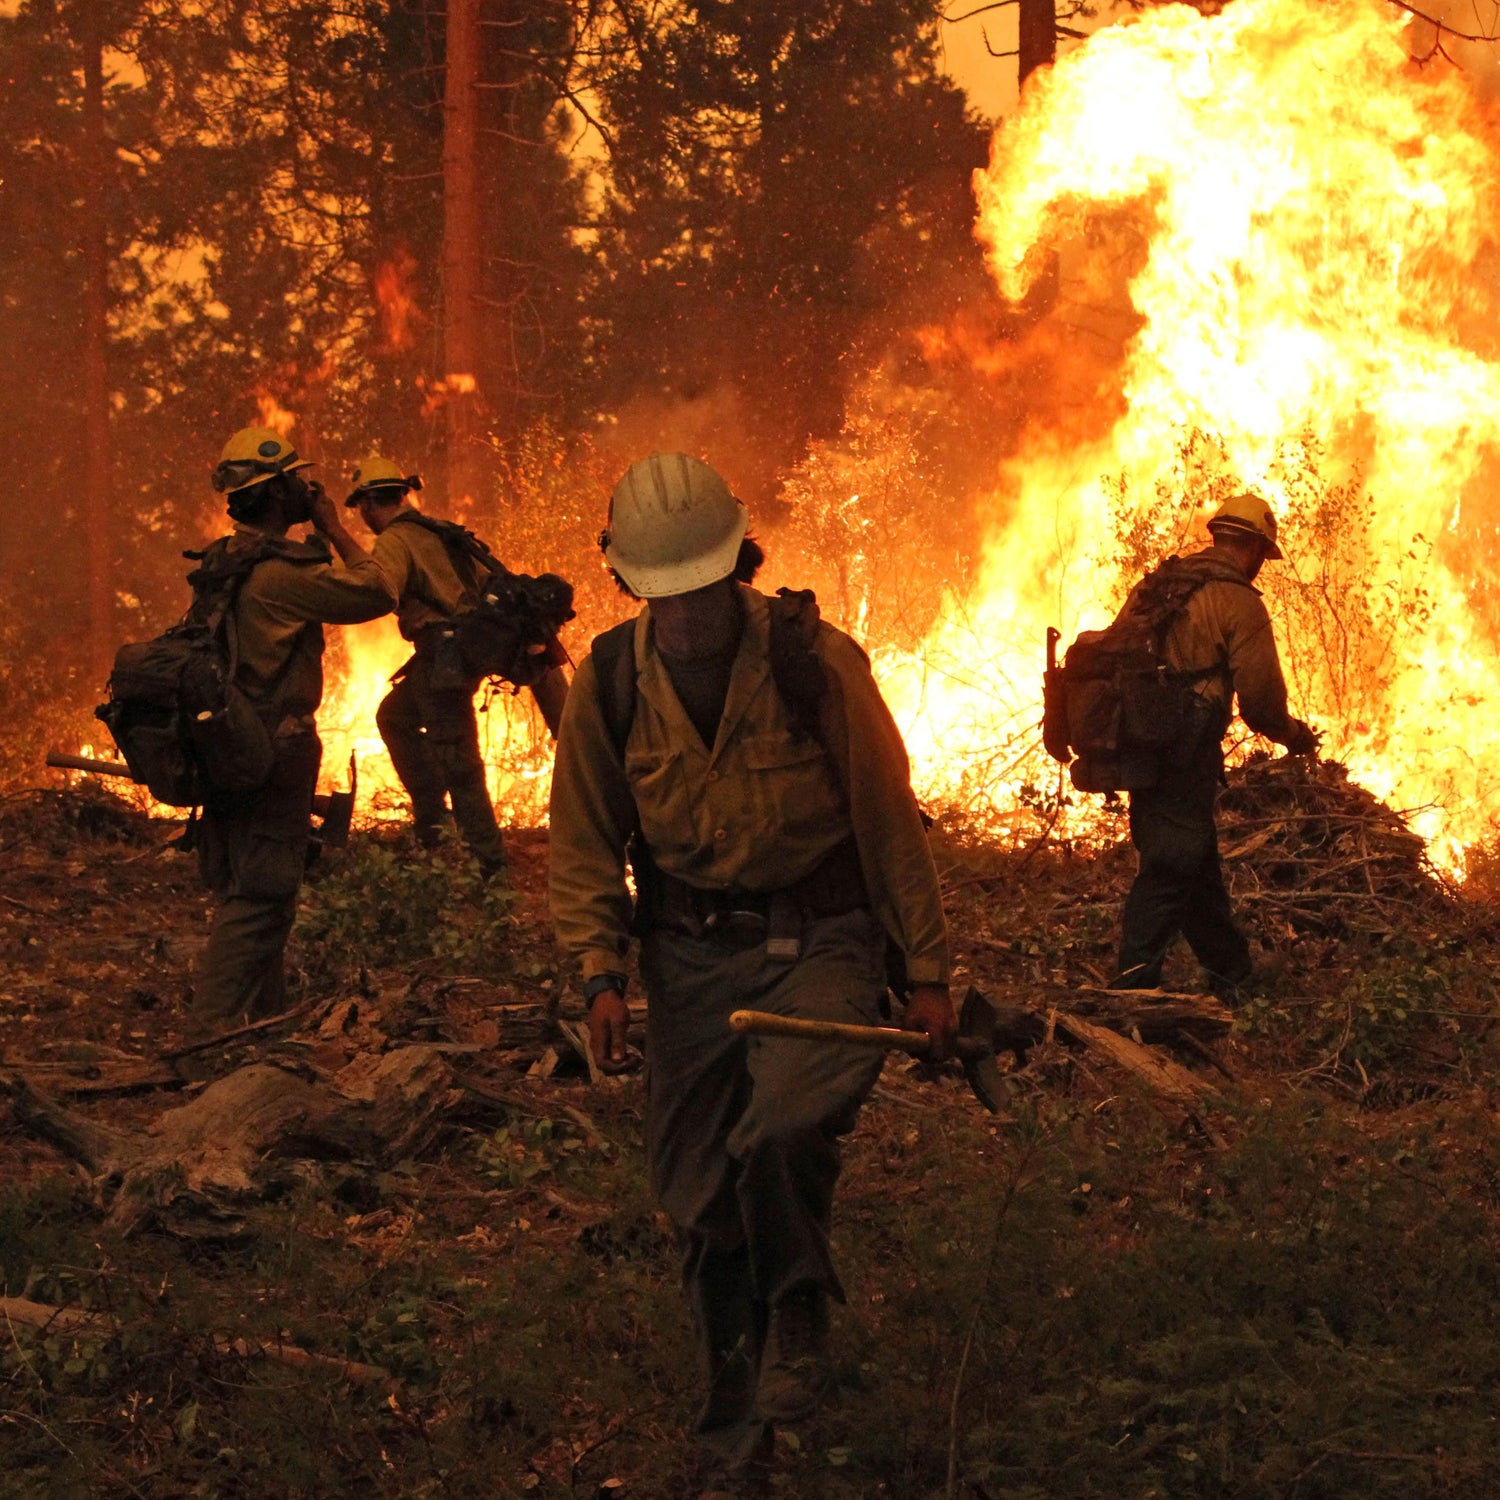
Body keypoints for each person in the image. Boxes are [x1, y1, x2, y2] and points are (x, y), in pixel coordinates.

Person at [548, 452, 955, 1465]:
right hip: (686, 958)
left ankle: (799, 1308)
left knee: (783, 1127)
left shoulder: (812, 662)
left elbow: (886, 817)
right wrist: (602, 974)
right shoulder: (604, 683)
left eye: (703, 586)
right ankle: (737, 1433)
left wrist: (931, 972)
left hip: (822, 939)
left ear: (738, 564)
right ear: (628, 581)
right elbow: (585, 842)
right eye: (663, 591)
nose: (685, 612)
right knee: (696, 1202)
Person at [196, 426, 395, 1025]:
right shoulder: (278, 573)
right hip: (272, 749)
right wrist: (333, 526)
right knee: (260, 897)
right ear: (279, 492)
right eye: (297, 482)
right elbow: (378, 590)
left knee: (260, 891)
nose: (307, 489)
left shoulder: (225, 559)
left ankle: (262, 1029)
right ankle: (209, 1042)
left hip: (232, 744)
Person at [1113, 491, 1318, 994]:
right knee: (1171, 863)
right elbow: (1261, 703)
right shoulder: (1238, 601)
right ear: (1252, 550)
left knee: (1192, 858)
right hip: (1184, 750)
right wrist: (1294, 736)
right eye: (1263, 559)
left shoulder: (1156, 585)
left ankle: (1231, 971)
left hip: (1136, 743)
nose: (1260, 569)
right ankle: (1131, 987)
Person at [346, 457, 508, 875]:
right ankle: (434, 822)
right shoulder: (439, 530)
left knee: (458, 757)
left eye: (360, 507)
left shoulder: (396, 540)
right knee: (394, 717)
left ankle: (488, 865)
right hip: (462, 649)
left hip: (445, 656)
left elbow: (380, 590)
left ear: (366, 503)